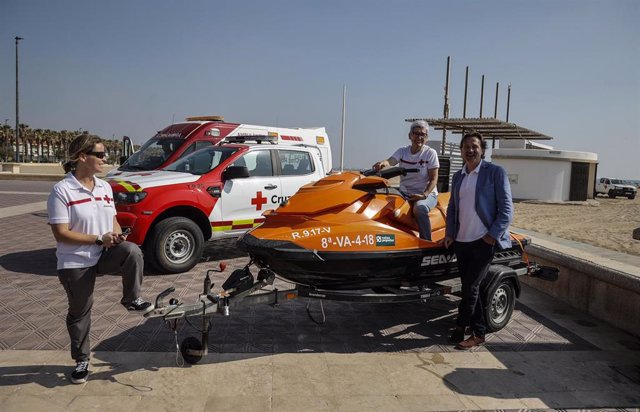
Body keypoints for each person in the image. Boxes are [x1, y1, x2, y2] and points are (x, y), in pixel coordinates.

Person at [47, 134, 154, 384]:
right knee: (80, 311)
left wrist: (116, 235)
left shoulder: (105, 186)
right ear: (82, 157)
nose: (106, 158)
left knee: (132, 250)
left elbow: (112, 218)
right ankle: (82, 359)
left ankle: (132, 299)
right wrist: (98, 239)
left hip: (103, 253)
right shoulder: (62, 190)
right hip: (75, 261)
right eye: (101, 154)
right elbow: (61, 233)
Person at [444, 132, 513, 349]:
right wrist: (450, 233)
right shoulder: (458, 176)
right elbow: (453, 207)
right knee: (469, 287)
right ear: (461, 150)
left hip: (483, 242)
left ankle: (470, 330)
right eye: (466, 146)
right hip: (462, 242)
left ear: (482, 149)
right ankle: (467, 327)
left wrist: (491, 236)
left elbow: (506, 209)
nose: (470, 150)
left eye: (474, 146)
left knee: (471, 288)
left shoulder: (495, 173)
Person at [372, 120, 440, 240]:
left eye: (422, 134)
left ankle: (426, 241)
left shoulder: (430, 153)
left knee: (419, 208)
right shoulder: (402, 151)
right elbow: (391, 161)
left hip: (426, 194)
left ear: (427, 138)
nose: (419, 137)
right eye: (416, 133)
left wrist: (424, 195)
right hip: (405, 193)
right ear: (410, 136)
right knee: (380, 200)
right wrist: (383, 163)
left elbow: (434, 178)